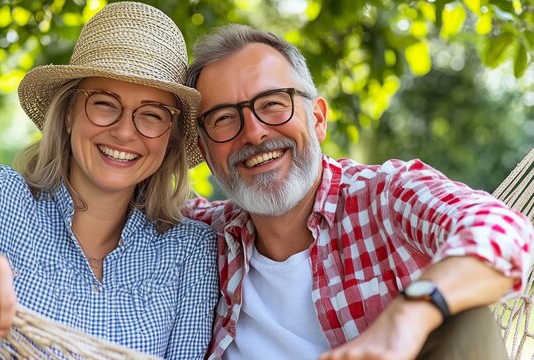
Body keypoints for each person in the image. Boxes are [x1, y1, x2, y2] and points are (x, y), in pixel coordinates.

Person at [182, 24, 534, 360]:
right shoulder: (200, 237)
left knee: (468, 322)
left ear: (318, 118)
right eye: (224, 118)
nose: (254, 133)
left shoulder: (386, 197)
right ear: (206, 152)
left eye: (273, 103)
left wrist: (409, 315)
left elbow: (500, 230)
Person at [0, 2, 218, 358]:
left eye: (152, 115)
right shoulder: (5, 198)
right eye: (105, 104)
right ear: (67, 114)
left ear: (169, 137)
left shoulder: (190, 250)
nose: (125, 132)